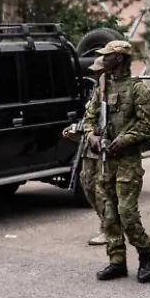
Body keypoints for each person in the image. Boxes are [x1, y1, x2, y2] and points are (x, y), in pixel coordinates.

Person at [83, 40, 150, 283]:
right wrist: (91, 135)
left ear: (120, 58)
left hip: (127, 162)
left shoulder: (137, 89)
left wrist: (125, 140)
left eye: (107, 56)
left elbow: (148, 125)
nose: (103, 59)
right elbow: (89, 118)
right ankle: (117, 261)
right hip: (104, 161)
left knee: (126, 213)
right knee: (108, 213)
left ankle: (145, 255)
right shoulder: (102, 88)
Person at [62, 92, 107, 246]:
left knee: (102, 190)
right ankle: (108, 223)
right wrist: (75, 129)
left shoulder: (113, 91)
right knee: (87, 185)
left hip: (104, 149)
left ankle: (109, 228)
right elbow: (90, 119)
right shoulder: (98, 92)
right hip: (89, 149)